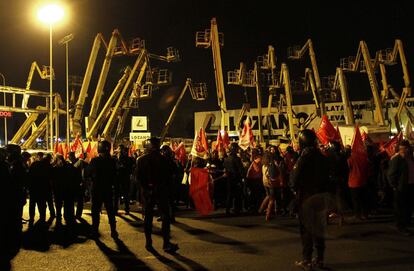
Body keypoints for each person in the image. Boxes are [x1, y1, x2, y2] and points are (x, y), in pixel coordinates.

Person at [290, 129, 331, 270]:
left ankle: (307, 260)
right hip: (320, 198)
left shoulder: (304, 157)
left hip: (306, 198)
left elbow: (293, 179)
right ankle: (320, 259)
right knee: (319, 229)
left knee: (306, 230)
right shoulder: (323, 157)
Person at [136, 137, 178, 253]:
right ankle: (166, 243)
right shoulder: (164, 159)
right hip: (161, 191)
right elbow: (173, 172)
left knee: (148, 218)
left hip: (148, 192)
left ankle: (148, 242)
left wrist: (146, 188)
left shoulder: (141, 160)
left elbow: (138, 178)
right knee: (165, 217)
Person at [87, 140, 118, 239]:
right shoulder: (113, 160)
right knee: (110, 211)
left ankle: (94, 231)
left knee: (95, 211)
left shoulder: (94, 160)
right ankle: (113, 230)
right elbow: (115, 175)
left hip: (96, 189)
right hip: (108, 188)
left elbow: (87, 173)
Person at [387, 140, 414, 235]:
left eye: (406, 148)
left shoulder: (410, 158)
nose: (404, 150)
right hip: (401, 188)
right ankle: (401, 227)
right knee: (401, 208)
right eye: (402, 148)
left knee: (408, 207)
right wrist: (395, 186)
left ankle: (406, 224)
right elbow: (391, 175)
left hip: (410, 186)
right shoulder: (397, 159)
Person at [223, 143, 244, 215]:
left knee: (229, 195)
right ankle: (236, 209)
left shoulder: (226, 158)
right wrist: (242, 177)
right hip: (236, 179)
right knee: (237, 195)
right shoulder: (236, 159)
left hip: (229, 179)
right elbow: (240, 169)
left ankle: (227, 209)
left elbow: (225, 168)